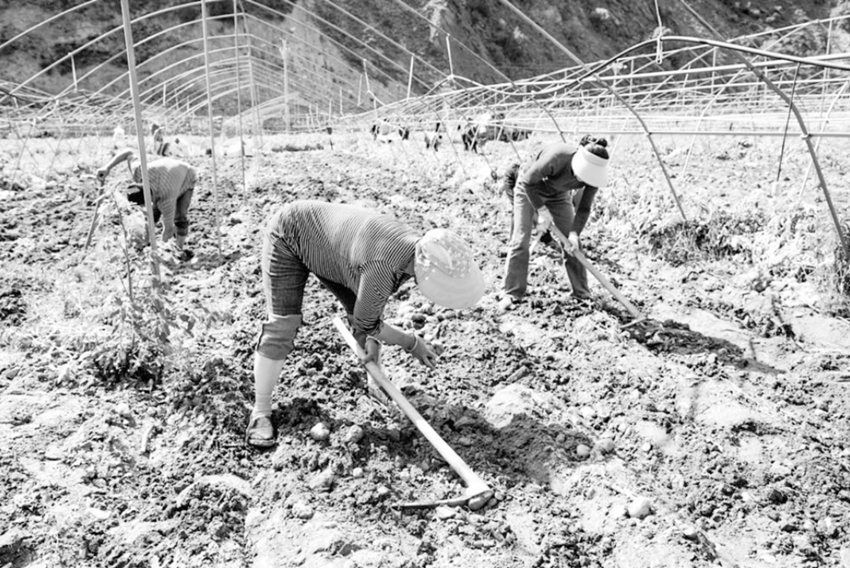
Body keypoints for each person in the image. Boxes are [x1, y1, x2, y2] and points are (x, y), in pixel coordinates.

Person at [246, 200, 486, 447]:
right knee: (283, 326)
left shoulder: (414, 251)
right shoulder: (384, 266)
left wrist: (370, 333)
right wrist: (411, 343)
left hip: (332, 249)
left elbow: (370, 305)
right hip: (290, 234)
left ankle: (375, 380)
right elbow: (368, 320)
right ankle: (260, 412)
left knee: (362, 312)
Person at [500, 135, 610, 311]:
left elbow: (584, 208)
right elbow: (528, 182)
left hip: (558, 195)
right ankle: (512, 292)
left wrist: (574, 234)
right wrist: (541, 211)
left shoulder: (593, 176)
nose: (582, 180)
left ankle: (582, 294)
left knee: (573, 245)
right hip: (529, 187)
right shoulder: (558, 156)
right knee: (521, 239)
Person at [96, 148, 197, 256]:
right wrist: (107, 167)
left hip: (187, 175)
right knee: (151, 216)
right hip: (166, 172)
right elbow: (128, 152)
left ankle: (179, 249)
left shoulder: (166, 199)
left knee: (180, 216)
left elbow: (168, 229)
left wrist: (160, 254)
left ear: (147, 201)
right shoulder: (139, 172)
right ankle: (145, 241)